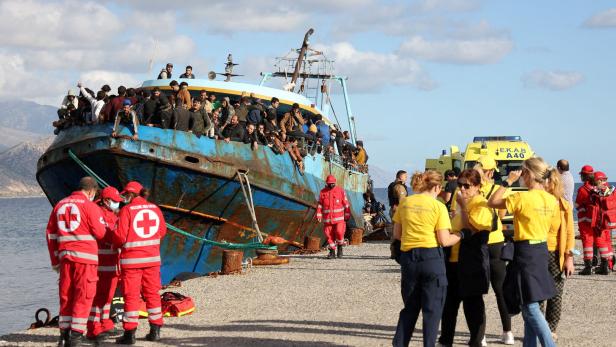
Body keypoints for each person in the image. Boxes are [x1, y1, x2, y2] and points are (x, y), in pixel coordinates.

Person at [488, 157, 559, 347]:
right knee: (530, 301)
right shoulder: (552, 199)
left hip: (525, 251)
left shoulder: (522, 197)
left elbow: (492, 201)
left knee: (529, 306)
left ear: (527, 174)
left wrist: (507, 181)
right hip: (541, 249)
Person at [392, 170, 462, 347]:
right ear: (437, 187)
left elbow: (397, 234)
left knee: (410, 308)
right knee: (432, 311)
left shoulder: (405, 203)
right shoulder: (438, 206)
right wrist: (461, 235)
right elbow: (444, 240)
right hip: (431, 258)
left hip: (409, 259)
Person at [45, 177, 106, 346]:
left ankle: (63, 336)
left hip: (65, 258)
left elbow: (51, 235)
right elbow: (100, 233)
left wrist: (55, 260)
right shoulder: (90, 206)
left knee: (66, 295)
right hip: (85, 259)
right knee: (84, 295)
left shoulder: (59, 205)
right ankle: (76, 337)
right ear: (91, 191)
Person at [438, 169, 495, 347]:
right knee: (449, 304)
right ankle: (445, 340)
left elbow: (472, 229)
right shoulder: (459, 200)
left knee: (473, 304)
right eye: (459, 185)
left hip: (472, 262)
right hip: (453, 261)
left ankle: (477, 340)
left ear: (477, 186)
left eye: (466, 185)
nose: (461, 189)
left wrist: (463, 207)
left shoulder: (482, 204)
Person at [112, 181, 167, 344]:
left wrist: (112, 241)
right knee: (152, 294)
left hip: (132, 262)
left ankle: (129, 335)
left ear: (131, 194)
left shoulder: (126, 211)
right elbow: (162, 231)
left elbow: (120, 236)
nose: (124, 198)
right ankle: (155, 330)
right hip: (152, 260)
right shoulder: (155, 209)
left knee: (131, 296)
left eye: (125, 195)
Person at [473, 156, 513, 344]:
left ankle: (481, 336)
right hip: (496, 241)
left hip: (476, 243)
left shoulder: (469, 189)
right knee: (500, 290)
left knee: (478, 292)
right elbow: (502, 214)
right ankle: (508, 332)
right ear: (490, 172)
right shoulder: (499, 189)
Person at [540, 168, 575, 341]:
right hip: (536, 252)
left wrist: (569, 258)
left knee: (555, 293)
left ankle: (551, 328)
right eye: (545, 182)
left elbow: (569, 233)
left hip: (555, 253)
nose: (547, 185)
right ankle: (538, 328)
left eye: (550, 182)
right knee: (536, 294)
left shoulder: (563, 205)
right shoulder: (537, 202)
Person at [87, 186, 123, 341]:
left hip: (112, 262)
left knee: (108, 296)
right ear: (106, 200)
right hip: (99, 262)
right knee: (97, 297)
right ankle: (94, 327)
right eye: (115, 201)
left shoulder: (112, 214)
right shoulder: (97, 212)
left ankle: (105, 323)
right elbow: (103, 235)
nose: (118, 204)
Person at [315, 175, 351, 259]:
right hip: (328, 219)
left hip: (339, 219)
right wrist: (319, 214)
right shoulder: (322, 192)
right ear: (327, 183)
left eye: (332, 183)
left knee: (339, 232)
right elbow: (320, 204)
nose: (331, 185)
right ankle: (332, 252)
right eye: (329, 183)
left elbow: (346, 204)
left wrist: (347, 214)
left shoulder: (340, 191)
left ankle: (340, 248)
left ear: (335, 183)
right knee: (329, 235)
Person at [590, 171, 615, 275]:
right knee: (608, 242)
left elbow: (597, 207)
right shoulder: (612, 190)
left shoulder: (600, 191)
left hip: (602, 222)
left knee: (601, 242)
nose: (594, 184)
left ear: (600, 180)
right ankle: (609, 263)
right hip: (610, 221)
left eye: (595, 182)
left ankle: (604, 265)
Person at [576, 165, 596, 275]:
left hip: (585, 220)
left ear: (583, 176)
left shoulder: (583, 190)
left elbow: (578, 204)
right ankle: (603, 263)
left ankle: (588, 266)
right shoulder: (597, 187)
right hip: (597, 220)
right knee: (600, 241)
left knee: (587, 242)